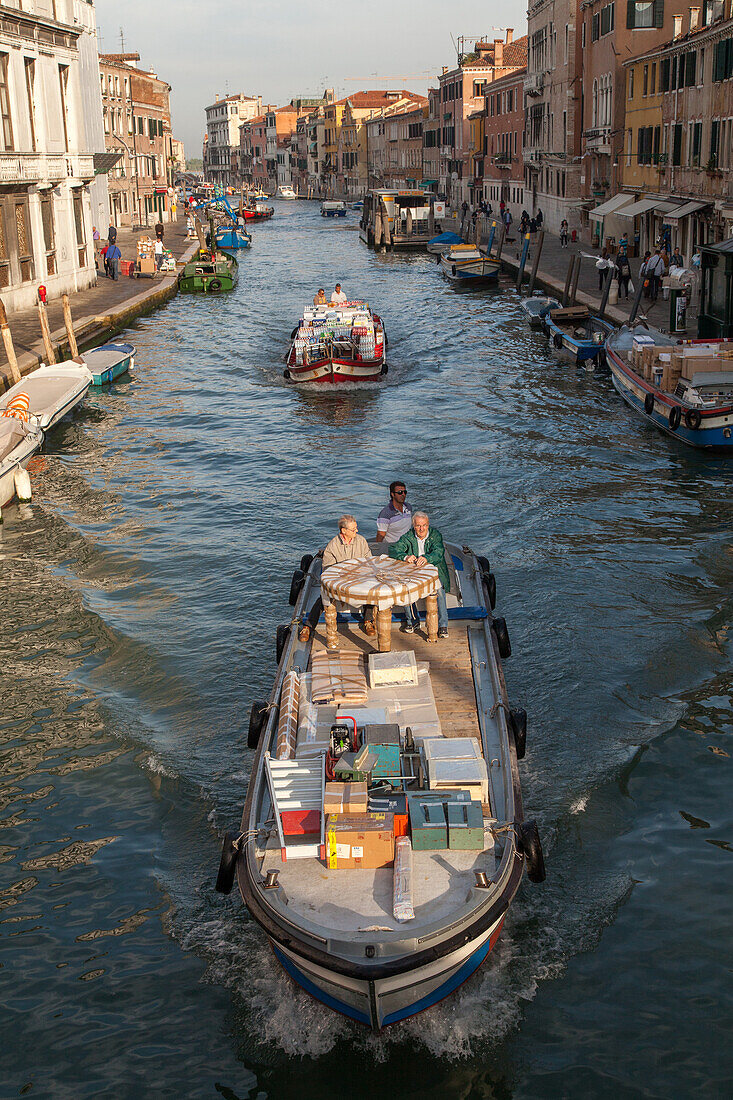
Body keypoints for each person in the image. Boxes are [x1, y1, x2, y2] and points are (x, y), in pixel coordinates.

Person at [298, 515, 375, 642]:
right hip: (339, 581)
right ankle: (308, 626)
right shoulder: (332, 545)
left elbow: (369, 560)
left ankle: (368, 620)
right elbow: (328, 569)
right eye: (353, 529)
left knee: (371, 591)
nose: (357, 531)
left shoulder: (361, 541)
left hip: (359, 579)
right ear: (343, 531)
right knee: (324, 597)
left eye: (356, 528)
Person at [389, 512, 450, 639]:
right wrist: (405, 557)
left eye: (424, 525)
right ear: (413, 526)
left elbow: (439, 552)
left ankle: (443, 625)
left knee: (439, 590)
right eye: (418, 526)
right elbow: (394, 549)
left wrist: (426, 558)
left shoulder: (436, 535)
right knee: (405, 588)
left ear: (428, 525)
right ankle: (413, 621)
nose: (421, 529)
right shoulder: (408, 536)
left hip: (435, 570)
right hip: (414, 571)